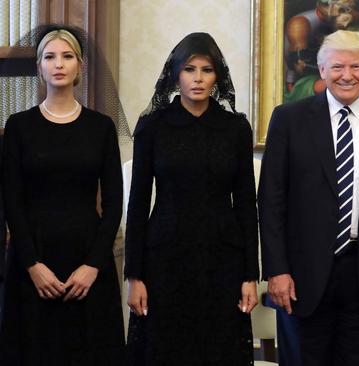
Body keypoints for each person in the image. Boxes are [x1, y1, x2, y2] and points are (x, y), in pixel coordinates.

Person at [259, 30, 359, 366]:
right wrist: (276, 270)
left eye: (356, 66)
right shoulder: (288, 120)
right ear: (321, 71)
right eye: (337, 67)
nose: (347, 75)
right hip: (300, 278)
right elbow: (271, 202)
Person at [124, 32, 259, 365]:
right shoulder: (153, 127)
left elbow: (245, 204)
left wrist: (250, 276)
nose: (198, 78)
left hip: (223, 260)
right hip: (165, 259)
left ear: (217, 77)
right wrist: (134, 276)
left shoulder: (235, 128)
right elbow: (139, 202)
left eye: (206, 69)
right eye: (189, 69)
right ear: (175, 75)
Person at [0, 27, 125, 364]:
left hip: (87, 261)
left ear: (79, 66)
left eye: (67, 56)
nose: (58, 64)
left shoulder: (100, 127)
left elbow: (114, 202)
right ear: (39, 67)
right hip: (33, 260)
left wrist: (92, 265)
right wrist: (32, 265)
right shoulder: (18, 126)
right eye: (50, 57)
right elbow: (11, 200)